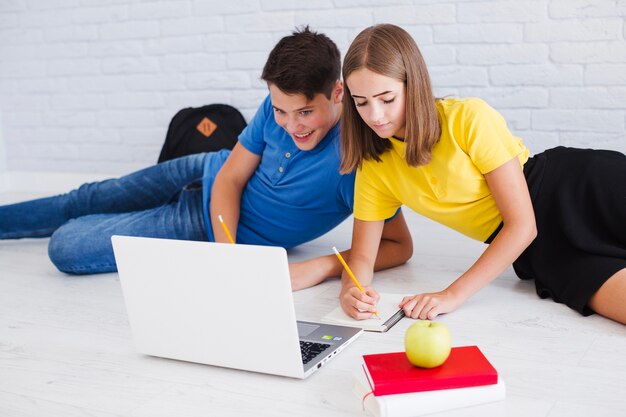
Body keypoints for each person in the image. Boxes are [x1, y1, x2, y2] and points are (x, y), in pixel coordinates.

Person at [0, 26, 413, 292]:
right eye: (280, 111)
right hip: (202, 172)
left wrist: (324, 266)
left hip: (198, 224)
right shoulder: (277, 109)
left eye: (304, 112)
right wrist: (228, 255)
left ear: (337, 93)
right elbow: (230, 178)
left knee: (67, 247)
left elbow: (400, 246)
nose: (290, 125)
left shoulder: (361, 163)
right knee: (86, 197)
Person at [337, 23, 626, 324]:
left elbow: (523, 225)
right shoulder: (374, 168)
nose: (375, 115)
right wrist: (350, 290)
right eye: (361, 103)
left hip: (579, 191)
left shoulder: (467, 117)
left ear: (414, 85)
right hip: (541, 253)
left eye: (387, 99)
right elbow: (362, 258)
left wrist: (451, 294)